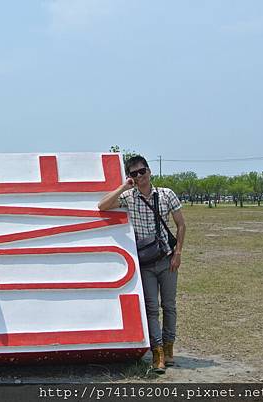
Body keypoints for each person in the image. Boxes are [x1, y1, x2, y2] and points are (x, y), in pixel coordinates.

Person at [98, 155, 186, 373]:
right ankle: (157, 353)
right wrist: (123, 186)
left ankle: (169, 348)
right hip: (145, 262)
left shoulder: (166, 194)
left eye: (142, 171)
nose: (140, 176)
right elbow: (102, 206)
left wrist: (178, 253)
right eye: (134, 173)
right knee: (151, 308)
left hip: (167, 258)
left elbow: (181, 224)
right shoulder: (129, 197)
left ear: (150, 171)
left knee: (170, 305)